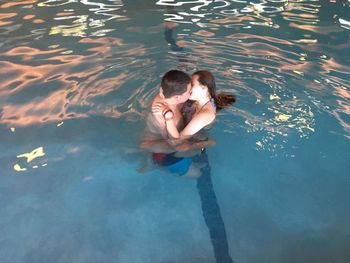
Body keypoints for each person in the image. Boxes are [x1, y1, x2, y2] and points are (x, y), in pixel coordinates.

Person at [152, 70, 236, 140]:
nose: (188, 88)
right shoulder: (198, 99)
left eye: (192, 85)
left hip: (196, 139)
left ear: (204, 88)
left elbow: (177, 141)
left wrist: (168, 117)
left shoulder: (205, 114)